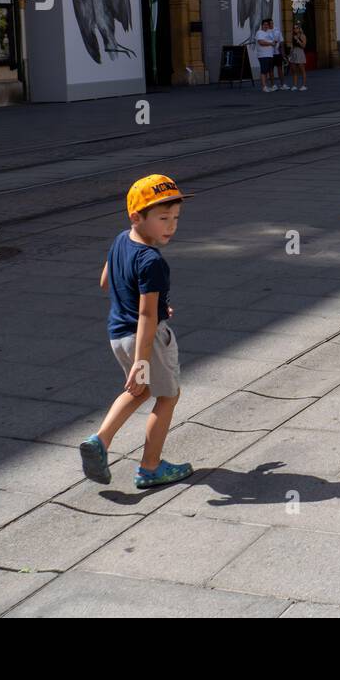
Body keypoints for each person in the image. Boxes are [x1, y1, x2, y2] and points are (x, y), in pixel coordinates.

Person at [80, 175, 194, 489]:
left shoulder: (120, 240)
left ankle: (99, 441)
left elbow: (107, 282)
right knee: (168, 396)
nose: (171, 226)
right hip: (146, 339)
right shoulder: (152, 261)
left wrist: (154, 307)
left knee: (138, 391)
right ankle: (150, 467)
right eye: (162, 218)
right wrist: (142, 362)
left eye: (175, 218)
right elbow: (145, 315)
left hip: (118, 335)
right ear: (137, 217)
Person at [255, 16, 279, 91]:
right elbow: (261, 42)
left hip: (270, 55)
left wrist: (274, 42)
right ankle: (264, 87)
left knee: (267, 71)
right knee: (264, 71)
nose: (266, 26)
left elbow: (274, 41)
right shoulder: (259, 32)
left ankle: (267, 86)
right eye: (264, 24)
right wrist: (271, 44)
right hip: (263, 55)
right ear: (262, 25)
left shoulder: (269, 33)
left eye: (267, 25)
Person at [288, 23, 308, 91]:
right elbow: (292, 45)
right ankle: (295, 85)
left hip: (300, 52)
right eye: (294, 28)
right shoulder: (293, 36)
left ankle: (304, 85)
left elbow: (303, 46)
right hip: (294, 52)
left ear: (299, 29)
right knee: (294, 70)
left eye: (296, 28)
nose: (295, 29)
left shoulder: (303, 36)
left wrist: (298, 40)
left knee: (302, 70)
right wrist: (290, 55)